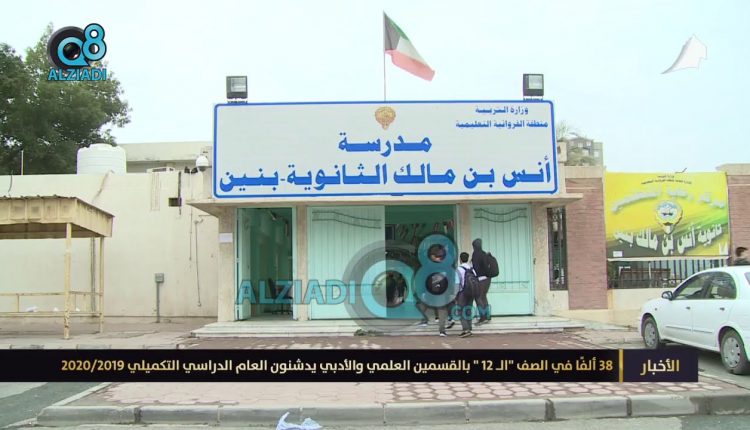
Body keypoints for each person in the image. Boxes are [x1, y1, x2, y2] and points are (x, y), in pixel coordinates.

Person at [416, 245, 454, 336]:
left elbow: (424, 278)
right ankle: (442, 331)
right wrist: (450, 291)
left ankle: (424, 320)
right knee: (442, 309)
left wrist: (422, 291)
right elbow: (450, 278)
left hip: (430, 290)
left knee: (423, 304)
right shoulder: (446, 265)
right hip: (442, 290)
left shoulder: (428, 265)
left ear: (433, 256)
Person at [455, 252, 475, 338]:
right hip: (471, 292)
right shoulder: (472, 269)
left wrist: (455, 294)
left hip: (462, 292)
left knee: (460, 311)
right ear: (467, 259)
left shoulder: (458, 269)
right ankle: (469, 328)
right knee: (468, 310)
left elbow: (457, 283)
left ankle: (466, 329)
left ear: (460, 259)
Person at [471, 238, 491, 325]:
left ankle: (483, 318)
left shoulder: (475, 254)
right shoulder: (484, 253)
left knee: (478, 297)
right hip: (488, 278)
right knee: (484, 297)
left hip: (480, 279)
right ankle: (487, 316)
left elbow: (476, 268)